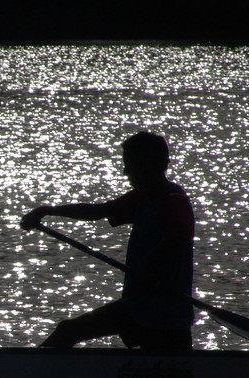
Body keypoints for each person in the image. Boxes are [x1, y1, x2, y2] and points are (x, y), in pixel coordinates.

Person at [20, 131, 195, 351]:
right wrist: (48, 211)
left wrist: (147, 265)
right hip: (139, 307)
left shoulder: (173, 200)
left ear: (148, 164)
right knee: (69, 331)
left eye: (130, 164)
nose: (125, 172)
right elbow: (98, 211)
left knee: (68, 331)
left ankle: (20, 374)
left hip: (165, 314)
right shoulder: (143, 198)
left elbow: (179, 238)